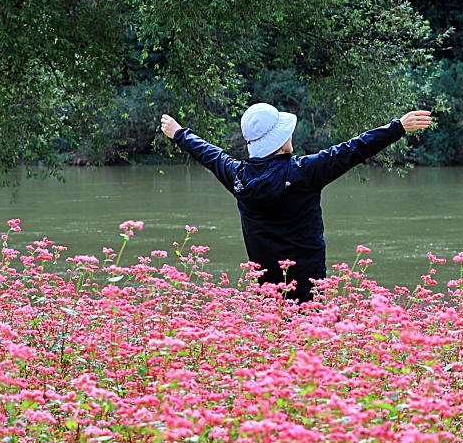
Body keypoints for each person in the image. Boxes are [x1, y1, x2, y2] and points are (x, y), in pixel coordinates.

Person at [159, 104, 434, 301]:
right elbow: (353, 149)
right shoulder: (304, 172)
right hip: (308, 286)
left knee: (276, 349)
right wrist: (398, 127)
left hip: (266, 288)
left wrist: (180, 134)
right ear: (280, 139)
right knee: (308, 355)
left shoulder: (237, 176)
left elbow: (209, 154)